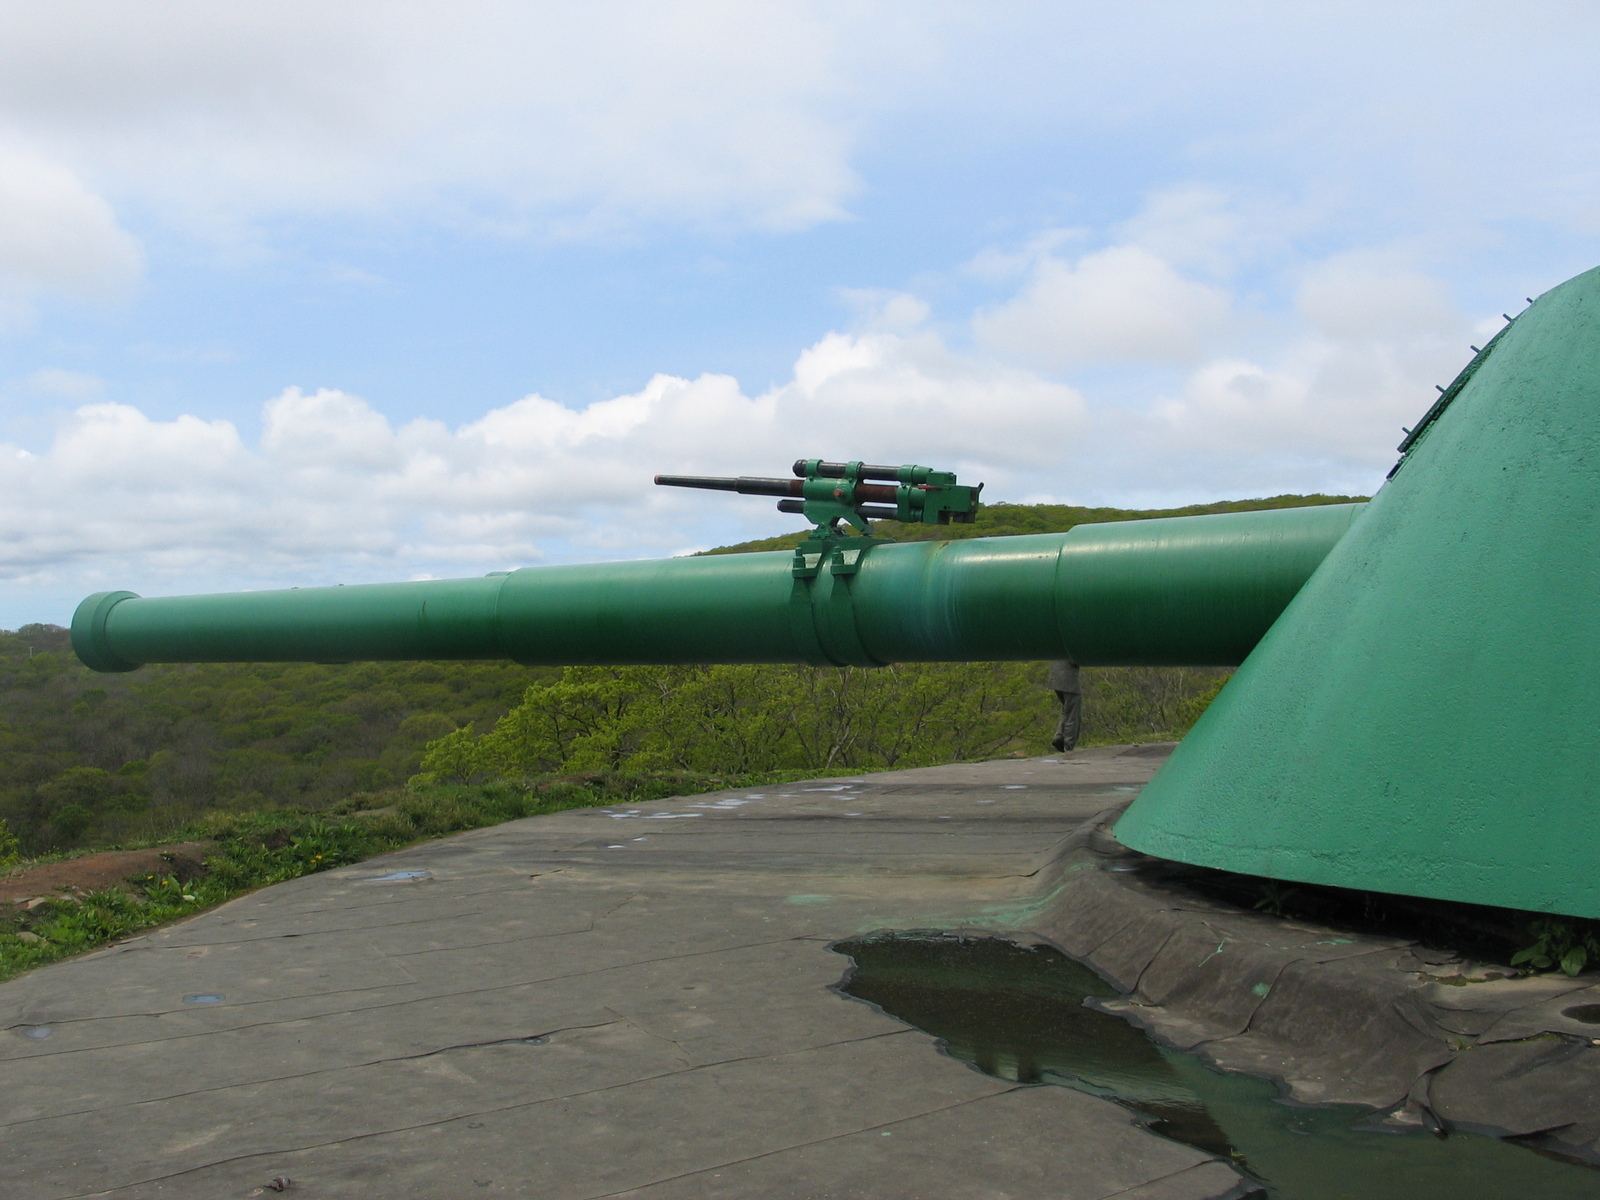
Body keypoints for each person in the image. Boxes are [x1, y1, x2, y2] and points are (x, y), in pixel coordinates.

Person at [1048, 659, 1081, 752]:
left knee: (1066, 709)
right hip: (1068, 679)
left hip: (1055, 676)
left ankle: (1059, 735)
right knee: (1073, 713)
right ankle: (1068, 745)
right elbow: (1075, 658)